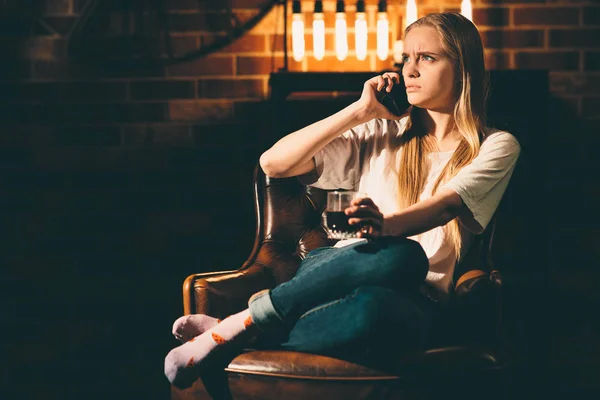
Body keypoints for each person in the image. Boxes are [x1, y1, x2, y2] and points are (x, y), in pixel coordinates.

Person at [164, 12, 521, 388]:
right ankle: (243, 323)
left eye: (427, 58)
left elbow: (447, 205)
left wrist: (383, 226)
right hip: (335, 275)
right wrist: (360, 111)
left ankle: (236, 331)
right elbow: (274, 163)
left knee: (382, 298)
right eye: (406, 58)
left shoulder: (495, 146)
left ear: (463, 67)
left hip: (418, 300)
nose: (409, 70)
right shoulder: (382, 132)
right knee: (400, 254)